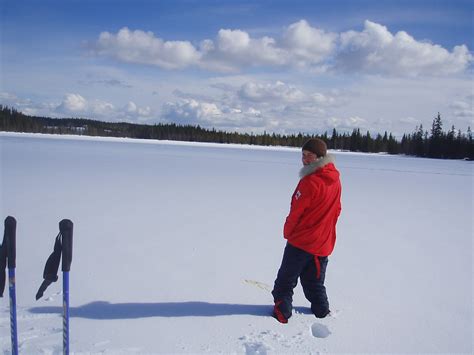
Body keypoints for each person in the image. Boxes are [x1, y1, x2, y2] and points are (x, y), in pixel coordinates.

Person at [272, 138, 342, 323]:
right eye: (302, 155)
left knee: (285, 283)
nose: (304, 160)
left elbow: (296, 212)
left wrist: (288, 232)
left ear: (320, 157)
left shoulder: (309, 182)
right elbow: (338, 209)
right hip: (322, 244)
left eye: (309, 156)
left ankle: (282, 315)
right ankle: (322, 312)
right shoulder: (335, 179)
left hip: (301, 243)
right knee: (314, 283)